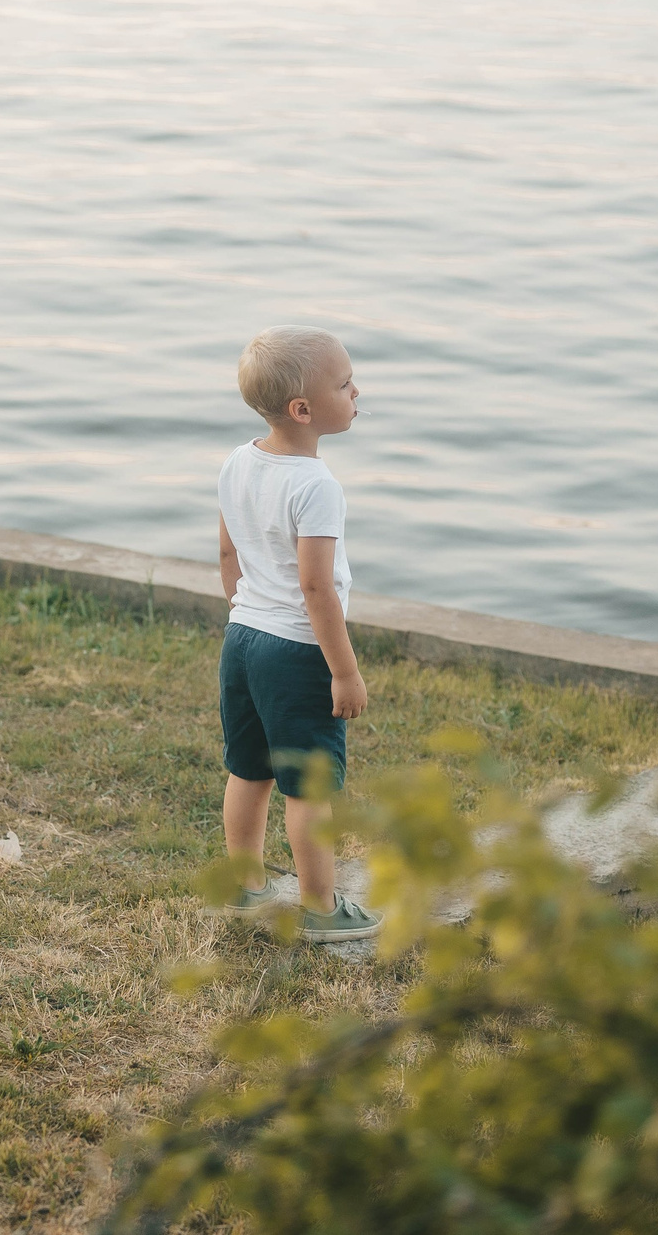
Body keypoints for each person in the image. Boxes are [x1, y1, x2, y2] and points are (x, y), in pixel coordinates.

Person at [212, 325, 381, 945]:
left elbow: (228, 549)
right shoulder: (316, 486)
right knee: (309, 789)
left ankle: (243, 885)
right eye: (344, 383)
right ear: (303, 409)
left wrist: (244, 606)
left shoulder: (237, 461)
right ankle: (319, 907)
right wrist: (344, 671)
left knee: (249, 771)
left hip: (244, 638)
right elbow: (317, 591)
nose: (357, 389)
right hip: (296, 651)